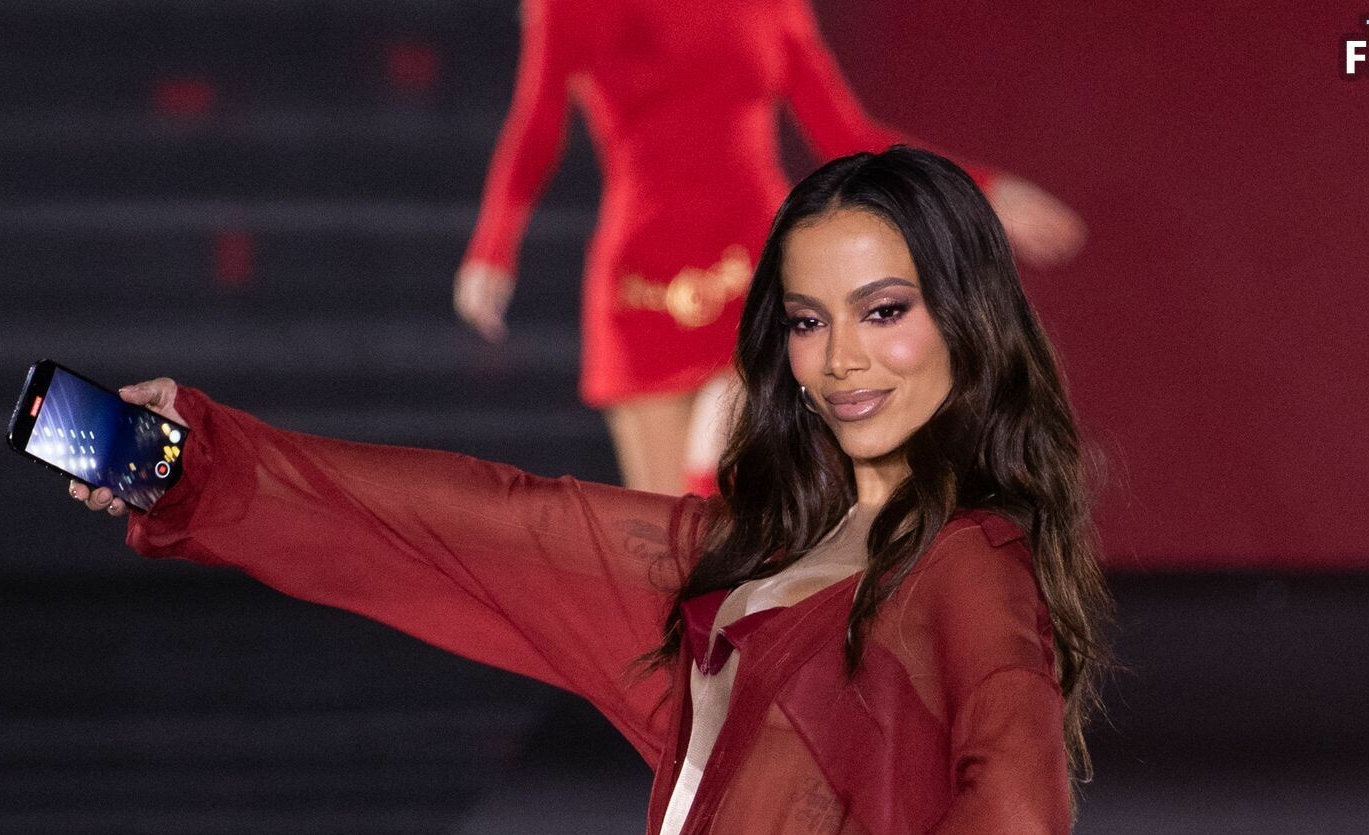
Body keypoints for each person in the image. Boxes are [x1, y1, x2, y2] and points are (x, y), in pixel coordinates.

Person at [70, 145, 1110, 835]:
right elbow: (481, 528)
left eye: (885, 310)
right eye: (809, 321)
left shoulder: (966, 560)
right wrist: (197, 467)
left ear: (965, 314)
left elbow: (1017, 811)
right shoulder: (752, 556)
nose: (843, 357)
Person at [452, 0, 1088, 498]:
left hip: (764, 271)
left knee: (740, 455)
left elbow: (844, 132)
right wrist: (492, 250)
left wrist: (981, 188)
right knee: (663, 536)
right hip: (644, 284)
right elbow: (536, 126)